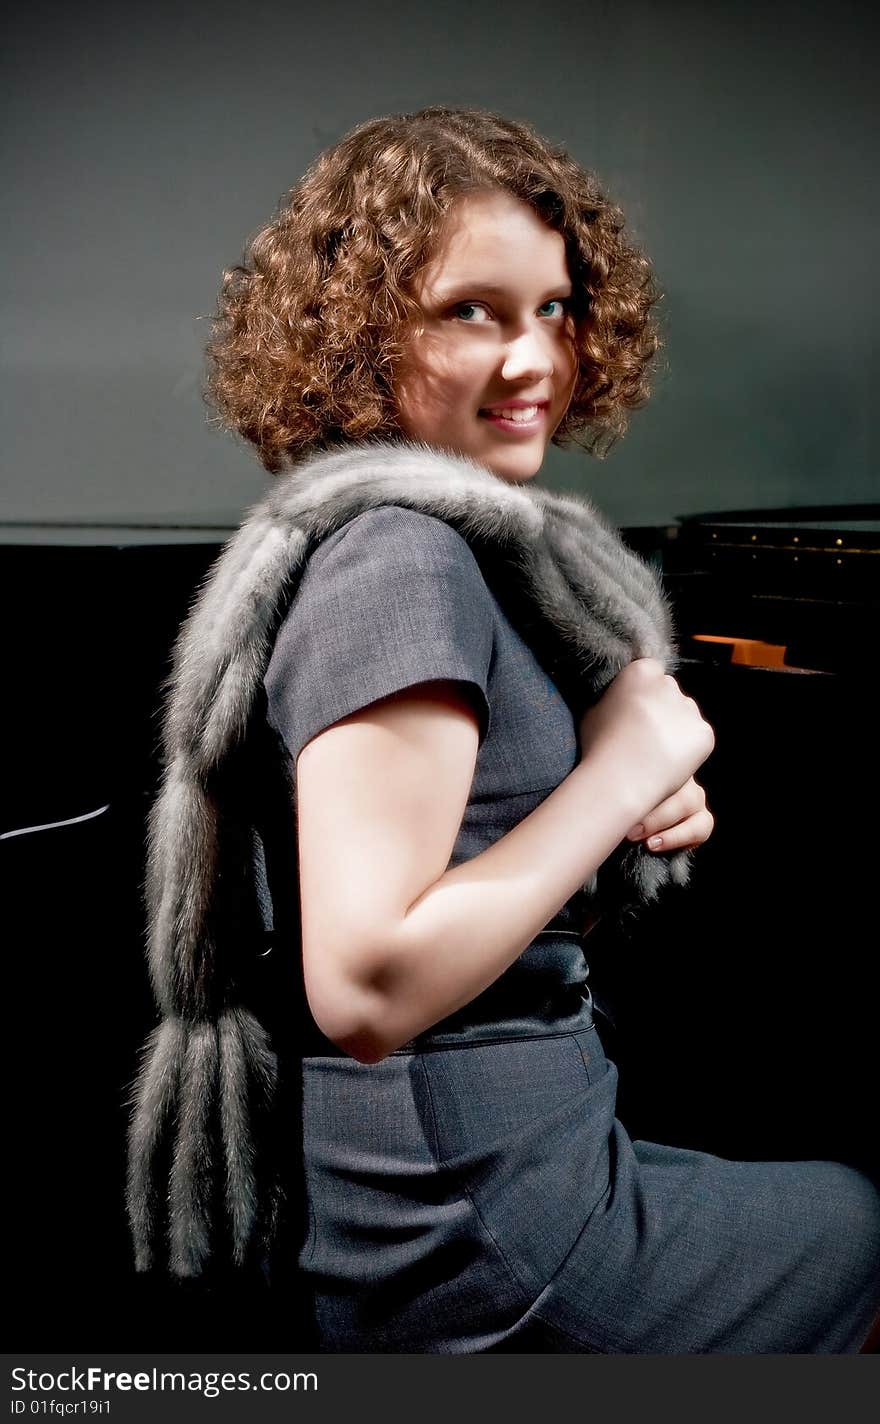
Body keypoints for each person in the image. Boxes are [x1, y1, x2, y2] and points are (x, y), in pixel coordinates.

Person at [130, 106, 880, 1352]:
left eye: (553, 308)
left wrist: (607, 815)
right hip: (472, 1220)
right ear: (360, 332)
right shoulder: (399, 561)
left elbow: (454, 854)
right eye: (470, 310)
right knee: (859, 1223)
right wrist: (618, 773)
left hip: (503, 1167)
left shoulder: (431, 545)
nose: (533, 357)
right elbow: (365, 983)